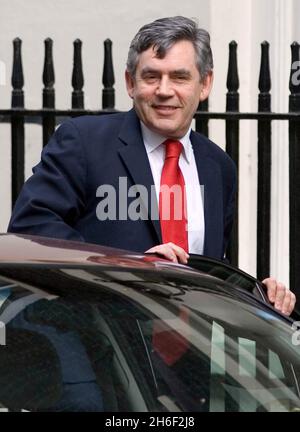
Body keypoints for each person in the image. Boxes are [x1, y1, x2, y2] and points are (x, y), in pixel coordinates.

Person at [7, 16, 295, 315]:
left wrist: (258, 295)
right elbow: (30, 229)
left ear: (205, 84)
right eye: (151, 76)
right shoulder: (84, 142)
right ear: (131, 83)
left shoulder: (218, 167)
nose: (164, 90)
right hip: (96, 346)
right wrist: (124, 268)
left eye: (180, 77)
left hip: (187, 353)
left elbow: (208, 271)